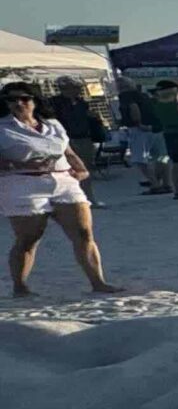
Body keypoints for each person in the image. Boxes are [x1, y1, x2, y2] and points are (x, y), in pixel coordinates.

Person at [2, 82, 124, 296]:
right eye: (11, 99)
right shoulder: (3, 127)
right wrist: (21, 165)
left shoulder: (53, 124)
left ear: (35, 100)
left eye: (24, 98)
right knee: (29, 239)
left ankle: (98, 282)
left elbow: (66, 150)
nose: (18, 103)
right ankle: (20, 286)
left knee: (84, 233)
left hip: (63, 181)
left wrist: (81, 167)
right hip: (23, 184)